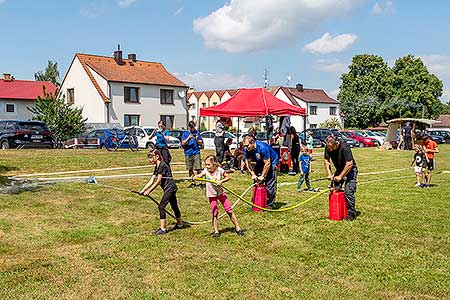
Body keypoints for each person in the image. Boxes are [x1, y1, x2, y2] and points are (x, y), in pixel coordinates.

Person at [194, 155, 244, 238]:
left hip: (221, 194)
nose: (207, 166)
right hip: (211, 195)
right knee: (215, 212)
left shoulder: (219, 170)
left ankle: (238, 228)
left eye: (208, 164)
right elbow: (200, 175)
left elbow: (228, 177)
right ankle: (216, 231)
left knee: (229, 210)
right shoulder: (205, 171)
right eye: (206, 164)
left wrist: (221, 181)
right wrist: (196, 177)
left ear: (214, 164)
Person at [139, 149, 184, 235]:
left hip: (170, 188)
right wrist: (143, 190)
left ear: (157, 156)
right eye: (149, 158)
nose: (150, 160)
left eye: (151, 157)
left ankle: (163, 229)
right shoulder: (157, 166)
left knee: (161, 207)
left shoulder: (162, 165)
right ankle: (180, 224)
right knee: (174, 206)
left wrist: (149, 191)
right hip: (170, 188)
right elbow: (152, 180)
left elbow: (158, 181)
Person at [324, 135, 358, 221]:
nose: (330, 150)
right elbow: (326, 161)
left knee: (348, 192)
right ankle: (337, 212)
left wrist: (340, 176)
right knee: (335, 189)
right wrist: (329, 174)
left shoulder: (345, 147)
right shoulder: (328, 147)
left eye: (331, 148)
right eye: (329, 148)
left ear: (336, 144)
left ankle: (351, 214)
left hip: (350, 170)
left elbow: (349, 164)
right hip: (339, 169)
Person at [243, 135, 279, 209]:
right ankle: (256, 203)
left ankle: (269, 205)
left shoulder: (263, 147)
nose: (246, 148)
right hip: (259, 163)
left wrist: (262, 176)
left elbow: (267, 163)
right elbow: (248, 162)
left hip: (271, 163)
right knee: (257, 183)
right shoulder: (247, 150)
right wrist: (253, 174)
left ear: (252, 143)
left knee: (270, 184)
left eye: (247, 146)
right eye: (245, 146)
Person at [181, 121, 204, 187]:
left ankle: (200, 183)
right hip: (188, 152)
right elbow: (182, 143)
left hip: (196, 152)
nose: (192, 129)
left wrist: (196, 139)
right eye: (191, 127)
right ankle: (193, 183)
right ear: (189, 127)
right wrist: (188, 138)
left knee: (198, 168)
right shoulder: (185, 133)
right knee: (190, 169)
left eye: (193, 127)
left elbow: (200, 142)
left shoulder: (197, 132)